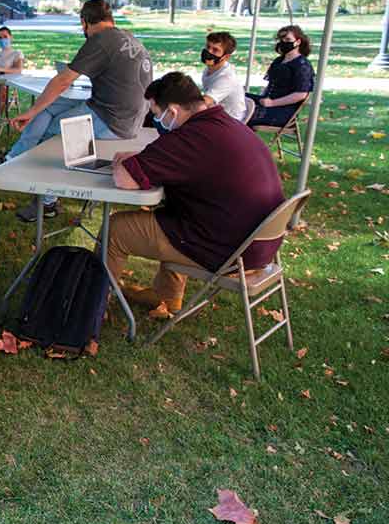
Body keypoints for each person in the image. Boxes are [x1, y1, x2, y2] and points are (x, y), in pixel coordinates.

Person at [109, 72, 285, 313]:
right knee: (173, 216)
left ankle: (91, 306)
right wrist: (141, 160)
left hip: (230, 250)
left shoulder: (190, 137)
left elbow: (125, 180)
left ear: (172, 111)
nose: (156, 119)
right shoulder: (223, 123)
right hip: (260, 243)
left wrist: (118, 162)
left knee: (116, 230)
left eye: (156, 114)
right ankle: (167, 297)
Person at [0, 0, 152, 223]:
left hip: (114, 120)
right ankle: (11, 157)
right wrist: (34, 111)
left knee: (51, 133)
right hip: (128, 114)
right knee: (48, 108)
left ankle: (47, 202)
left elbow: (64, 80)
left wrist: (31, 111)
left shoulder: (100, 40)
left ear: (84, 22)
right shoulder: (126, 37)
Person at [247, 25, 314, 129]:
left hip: (282, 111)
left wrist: (272, 103)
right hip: (266, 102)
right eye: (281, 39)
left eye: (287, 39)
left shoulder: (302, 65)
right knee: (238, 97)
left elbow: (301, 94)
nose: (283, 42)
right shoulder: (279, 61)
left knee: (241, 112)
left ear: (298, 42)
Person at [199, 31, 247, 121]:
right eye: (208, 47)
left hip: (230, 121)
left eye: (215, 50)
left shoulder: (226, 78)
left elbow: (204, 102)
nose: (209, 51)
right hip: (215, 114)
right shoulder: (209, 69)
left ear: (226, 57)